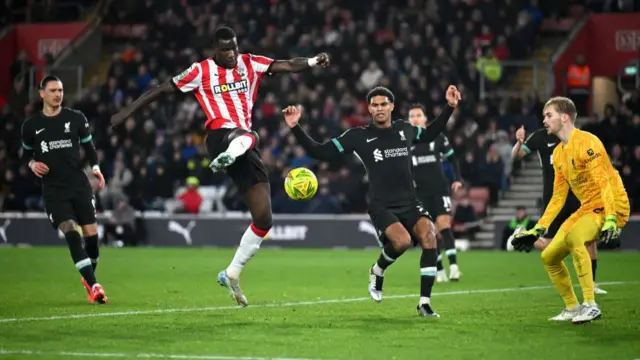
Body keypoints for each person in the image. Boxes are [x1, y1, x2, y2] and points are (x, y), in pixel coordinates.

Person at [110, 26, 330, 307]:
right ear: (214, 49)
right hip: (218, 136)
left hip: (245, 147)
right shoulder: (199, 71)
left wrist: (312, 61)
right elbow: (162, 89)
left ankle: (232, 273)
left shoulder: (249, 63)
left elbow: (285, 64)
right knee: (250, 135)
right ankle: (233, 149)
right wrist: (127, 111)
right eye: (226, 49)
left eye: (234, 47)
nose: (232, 53)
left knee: (264, 219)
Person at [282, 85, 462, 317]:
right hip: (381, 204)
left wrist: (449, 107)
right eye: (375, 105)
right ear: (369, 108)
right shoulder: (358, 136)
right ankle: (378, 270)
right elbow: (320, 151)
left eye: (383, 104)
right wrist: (295, 127)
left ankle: (424, 303)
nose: (379, 108)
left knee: (429, 235)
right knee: (403, 242)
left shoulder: (405, 129)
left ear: (391, 107)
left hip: (409, 201)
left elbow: (429, 133)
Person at [511, 97, 630, 324]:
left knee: (577, 237)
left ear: (564, 117)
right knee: (549, 256)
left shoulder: (588, 142)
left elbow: (605, 183)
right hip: (588, 207)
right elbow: (558, 197)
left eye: (549, 115)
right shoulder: (558, 154)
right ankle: (572, 307)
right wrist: (537, 230)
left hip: (611, 204)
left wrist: (612, 219)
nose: (544, 120)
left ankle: (591, 305)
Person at [21, 75, 107, 304]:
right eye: (52, 90)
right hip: (53, 189)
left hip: (79, 185)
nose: (58, 94)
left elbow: (89, 147)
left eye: (60, 90)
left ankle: (89, 279)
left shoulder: (75, 118)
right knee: (71, 232)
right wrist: (31, 164)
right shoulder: (31, 126)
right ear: (42, 93)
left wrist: (96, 168)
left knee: (92, 239)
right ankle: (95, 285)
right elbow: (24, 154)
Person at [511, 124, 607, 294]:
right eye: (545, 116)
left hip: (577, 196)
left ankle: (592, 284)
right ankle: (525, 236)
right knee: (550, 246)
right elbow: (516, 156)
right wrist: (518, 142)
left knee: (590, 240)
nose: (546, 120)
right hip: (553, 199)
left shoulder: (573, 136)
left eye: (549, 115)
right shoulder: (539, 137)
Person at [407, 104, 463, 282]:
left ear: (425, 118)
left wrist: (457, 179)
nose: (415, 118)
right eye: (412, 116)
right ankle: (439, 270)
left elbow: (453, 158)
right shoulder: (407, 142)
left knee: (444, 226)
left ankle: (454, 268)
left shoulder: (437, 137)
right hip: (419, 193)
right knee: (428, 232)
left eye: (418, 115)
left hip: (439, 189)